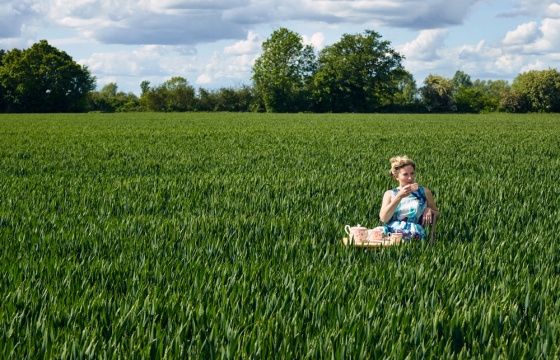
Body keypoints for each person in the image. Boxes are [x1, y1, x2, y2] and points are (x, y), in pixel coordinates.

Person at [377, 156, 440, 240]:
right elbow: (384, 218)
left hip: (414, 233)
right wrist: (399, 196)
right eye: (405, 174)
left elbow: (437, 214)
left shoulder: (424, 192)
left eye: (412, 173)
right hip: (391, 232)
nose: (410, 178)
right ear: (396, 176)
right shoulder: (389, 194)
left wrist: (430, 210)